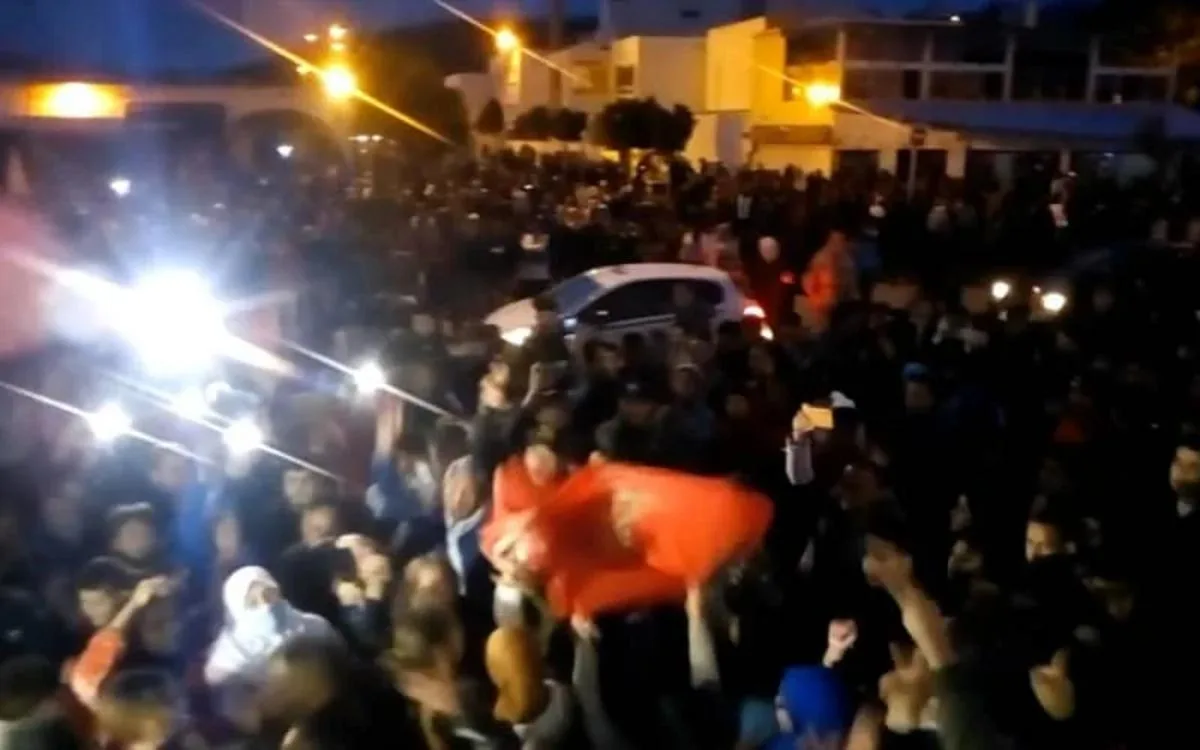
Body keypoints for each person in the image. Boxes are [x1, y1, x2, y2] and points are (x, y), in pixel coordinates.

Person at [203, 566, 338, 730]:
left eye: (269, 594)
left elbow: (341, 669)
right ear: (236, 610)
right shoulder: (226, 662)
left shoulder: (315, 626)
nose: (266, 605)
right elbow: (242, 720)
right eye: (252, 603)